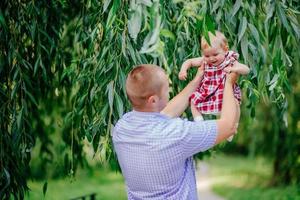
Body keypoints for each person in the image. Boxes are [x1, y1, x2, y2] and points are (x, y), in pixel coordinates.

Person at [112, 64, 239, 199]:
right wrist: (229, 82)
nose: (169, 91)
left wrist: (198, 79)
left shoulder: (121, 128)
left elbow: (164, 114)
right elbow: (229, 126)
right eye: (167, 89)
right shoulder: (177, 134)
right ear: (153, 100)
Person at [179, 31, 250, 141]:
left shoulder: (229, 60)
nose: (211, 58)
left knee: (235, 104)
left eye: (215, 55)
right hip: (208, 91)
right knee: (193, 100)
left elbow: (246, 69)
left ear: (225, 49)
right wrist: (183, 70)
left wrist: (234, 69)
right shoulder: (205, 61)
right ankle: (199, 122)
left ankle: (233, 126)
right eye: (207, 55)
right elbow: (190, 61)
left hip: (225, 92)